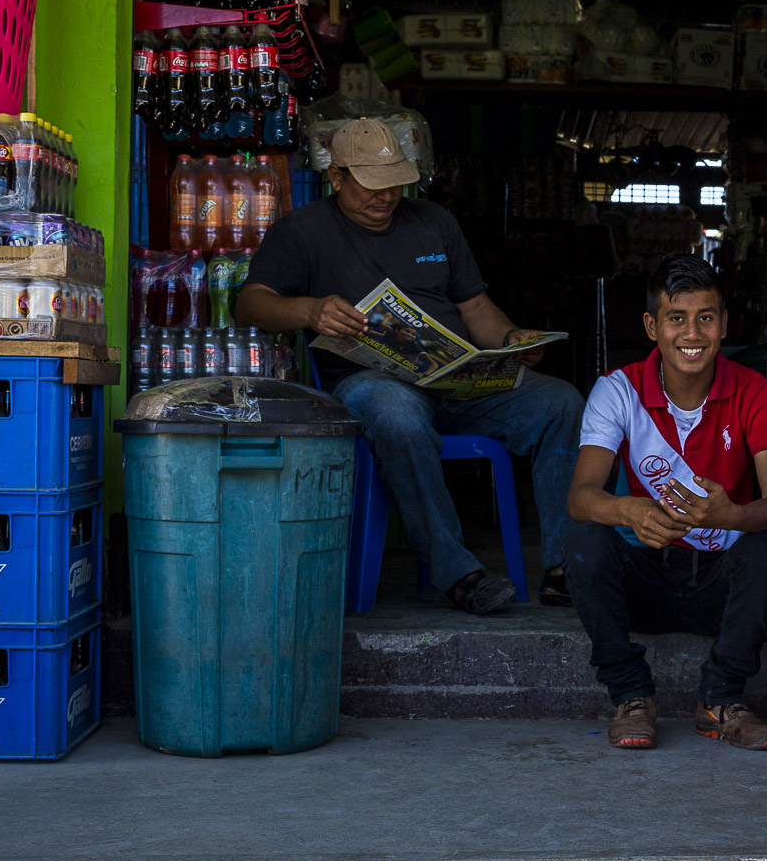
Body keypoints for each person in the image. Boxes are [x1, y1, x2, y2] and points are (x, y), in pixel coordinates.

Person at [236, 118, 583, 616]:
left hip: (459, 383)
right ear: (337, 177)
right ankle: (458, 573)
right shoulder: (303, 231)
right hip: (373, 386)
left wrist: (510, 340)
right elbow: (251, 305)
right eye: (373, 185)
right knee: (396, 410)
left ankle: (565, 568)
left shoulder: (435, 221)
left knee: (560, 402)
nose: (387, 197)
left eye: (396, 182)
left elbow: (476, 309)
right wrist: (310, 311)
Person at [566, 255, 767, 751]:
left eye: (706, 318)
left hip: (721, 584)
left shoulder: (756, 392)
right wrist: (629, 510)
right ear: (652, 326)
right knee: (583, 540)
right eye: (676, 318)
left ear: (725, 324)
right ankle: (629, 695)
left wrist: (733, 515)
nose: (692, 334)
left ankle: (720, 700)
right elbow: (581, 499)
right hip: (645, 577)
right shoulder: (616, 391)